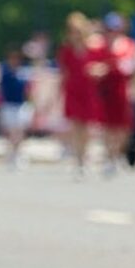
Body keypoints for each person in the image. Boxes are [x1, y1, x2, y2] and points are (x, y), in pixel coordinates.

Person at [57, 12, 108, 179]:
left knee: (88, 128)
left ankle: (84, 157)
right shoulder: (66, 50)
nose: (75, 34)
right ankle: (78, 160)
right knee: (76, 126)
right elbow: (63, 73)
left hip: (88, 91)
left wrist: (98, 70)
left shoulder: (93, 48)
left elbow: (104, 65)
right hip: (73, 91)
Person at [98, 13, 135, 174]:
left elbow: (134, 67)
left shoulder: (129, 45)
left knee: (124, 127)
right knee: (107, 126)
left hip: (123, 90)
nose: (112, 32)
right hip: (106, 91)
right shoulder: (100, 46)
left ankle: (117, 154)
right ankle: (109, 157)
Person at [0, 49, 32, 169]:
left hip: (21, 105)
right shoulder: (4, 72)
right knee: (10, 132)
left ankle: (19, 153)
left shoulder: (23, 73)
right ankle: (11, 153)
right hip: (8, 105)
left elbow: (28, 90)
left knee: (20, 131)